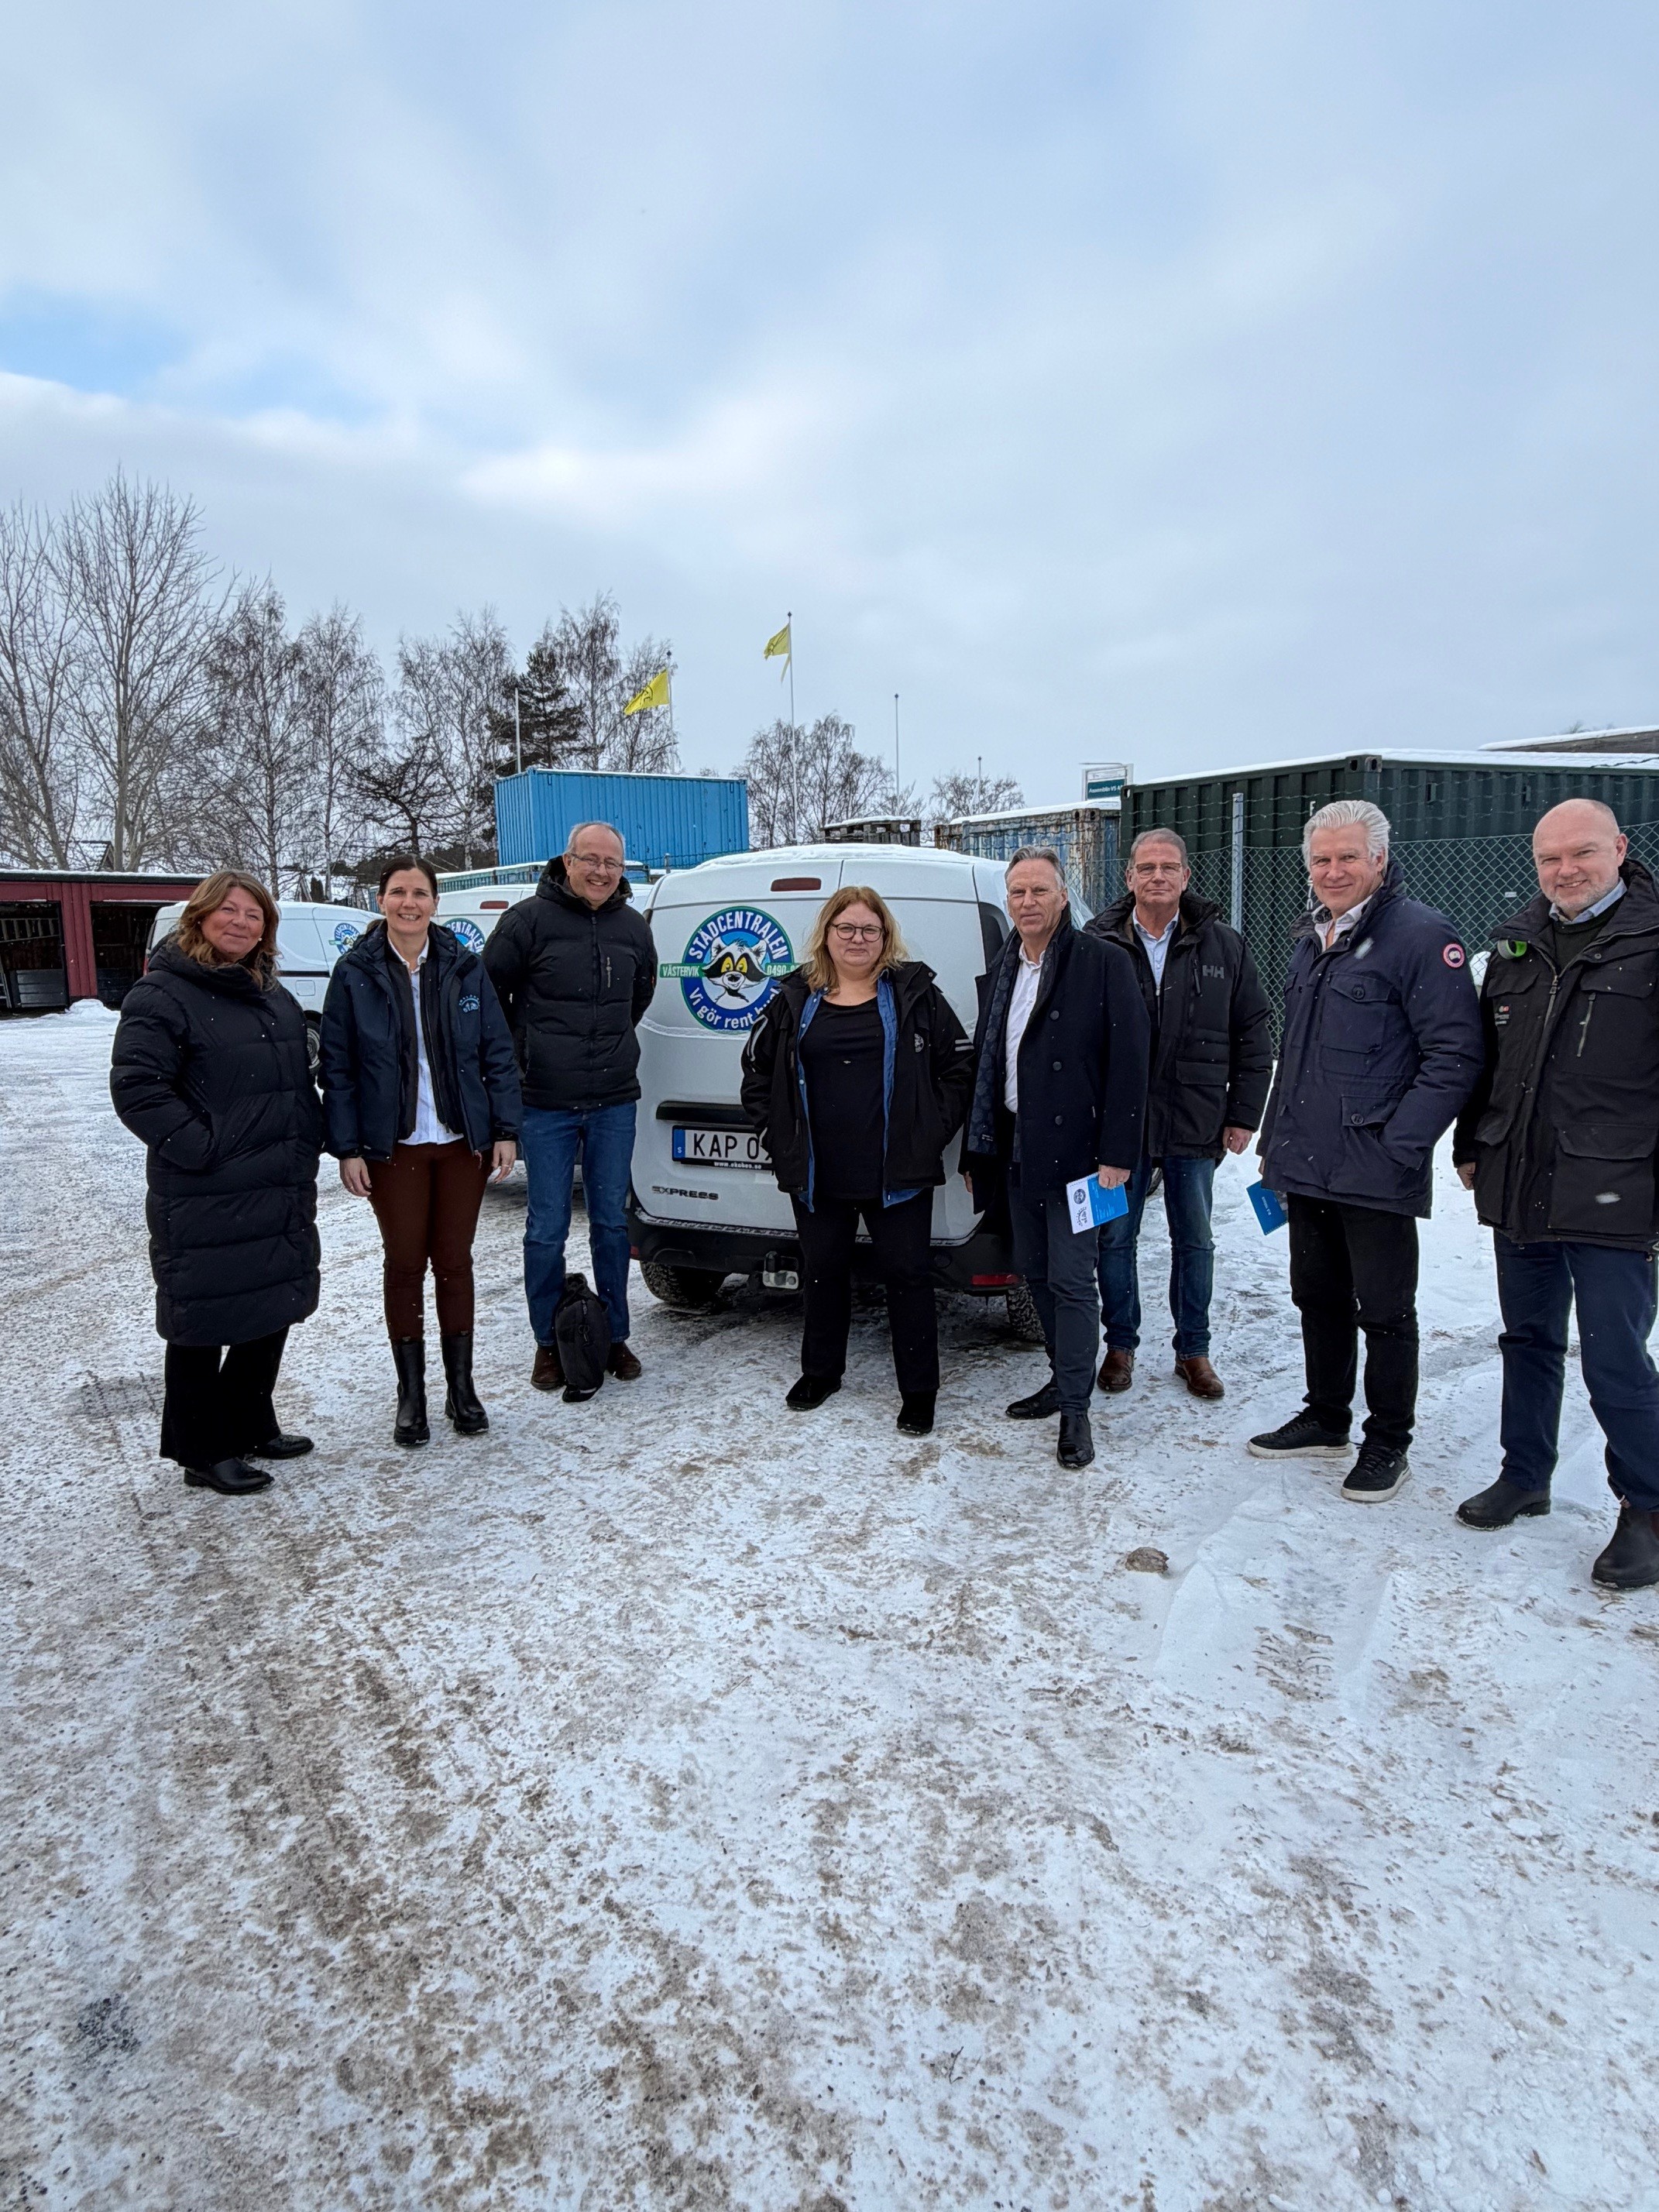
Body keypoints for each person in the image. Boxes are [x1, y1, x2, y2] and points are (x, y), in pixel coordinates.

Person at [1451, 799, 1659, 1589]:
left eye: (1582, 853)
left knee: (1617, 1358)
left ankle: (1646, 1506)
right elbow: (1488, 1062)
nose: (1566, 870)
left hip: (1617, 1186)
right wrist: (1473, 1144)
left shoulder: (1649, 941)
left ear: (1619, 849)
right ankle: (1525, 1473)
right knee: (1528, 1339)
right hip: (1523, 1178)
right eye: (1550, 858)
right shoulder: (1515, 946)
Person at [1250, 800, 1482, 1502]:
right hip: (1308, 1160)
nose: (1333, 871)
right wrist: (1275, 1145)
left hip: (1373, 1165)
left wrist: (1400, 1145)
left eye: (1348, 857)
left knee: (1384, 1311)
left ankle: (1388, 1443)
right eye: (1321, 859)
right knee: (1315, 1297)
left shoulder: (1418, 936)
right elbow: (1298, 1054)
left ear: (1379, 859)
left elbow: (1455, 1053)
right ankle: (1326, 1417)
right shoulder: (1310, 936)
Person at [110, 871, 324, 1496]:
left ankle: (252, 1421)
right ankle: (201, 1449)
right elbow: (138, 1089)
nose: (241, 923)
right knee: (202, 1319)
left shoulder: (272, 995)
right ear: (200, 919)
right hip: (206, 1188)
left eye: (253, 915)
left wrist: (310, 1134)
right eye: (228, 911)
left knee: (270, 1304)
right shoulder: (164, 995)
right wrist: (204, 1147)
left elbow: (294, 1083)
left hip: (277, 1181)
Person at [740, 885, 974, 1434]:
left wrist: (928, 1131)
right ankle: (821, 1372)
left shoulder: (915, 995)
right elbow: (756, 1071)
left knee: (908, 1277)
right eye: (846, 928)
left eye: (870, 929)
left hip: (897, 1172)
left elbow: (959, 1070)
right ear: (826, 934)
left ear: (885, 938)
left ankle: (919, 1392)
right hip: (820, 1172)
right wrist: (777, 1134)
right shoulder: (794, 999)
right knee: (822, 1273)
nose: (857, 939)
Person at [318, 855, 522, 1448]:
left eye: (421, 893)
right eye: (399, 892)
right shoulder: (354, 972)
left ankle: (463, 1389)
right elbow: (339, 1067)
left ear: (436, 903)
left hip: (461, 1142)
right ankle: (412, 1397)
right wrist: (347, 1147)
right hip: (393, 1146)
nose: (410, 903)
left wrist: (504, 1128)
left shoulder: (464, 967)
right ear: (380, 900)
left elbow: (497, 1054)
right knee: (405, 1264)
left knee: (455, 1262)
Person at [962, 846, 1149, 1470]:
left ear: (1063, 895)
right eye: (1018, 893)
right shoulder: (1005, 964)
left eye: (1040, 891)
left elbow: (1131, 1064)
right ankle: (1059, 1377)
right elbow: (987, 1064)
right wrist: (977, 1146)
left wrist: (1118, 1154)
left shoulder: (1103, 962)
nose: (1028, 903)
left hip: (1082, 1158)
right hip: (1017, 1148)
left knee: (1073, 1282)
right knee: (1036, 1275)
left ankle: (1076, 1410)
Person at [1085, 827, 1272, 1400]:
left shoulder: (1224, 945)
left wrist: (1242, 1113)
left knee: (1195, 1240)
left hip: (1195, 1119)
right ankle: (1120, 1346)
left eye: (1169, 866)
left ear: (1187, 876)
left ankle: (1194, 1349)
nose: (1157, 876)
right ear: (1129, 877)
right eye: (1147, 867)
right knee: (1113, 1238)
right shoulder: (1098, 943)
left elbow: (1255, 1031)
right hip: (1117, 1128)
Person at [483, 822, 658, 1391]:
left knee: (611, 1224)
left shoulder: (634, 928)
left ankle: (613, 1337)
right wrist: (521, 1059)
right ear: (566, 860)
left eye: (614, 863)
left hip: (613, 1101)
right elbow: (489, 999)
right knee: (546, 1229)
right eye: (591, 859)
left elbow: (638, 997)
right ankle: (547, 1342)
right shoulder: (526, 922)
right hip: (544, 1103)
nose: (603, 871)